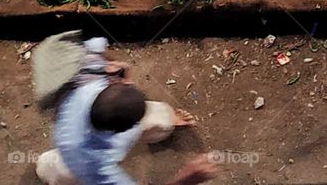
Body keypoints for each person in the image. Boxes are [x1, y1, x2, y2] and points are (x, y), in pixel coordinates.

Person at [36, 38, 217, 185]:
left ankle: (164, 123)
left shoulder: (90, 77)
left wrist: (112, 62)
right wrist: (188, 177)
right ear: (120, 130)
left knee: (163, 119)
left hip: (85, 127)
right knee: (49, 169)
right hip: (75, 156)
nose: (128, 82)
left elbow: (95, 45)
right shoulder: (94, 165)